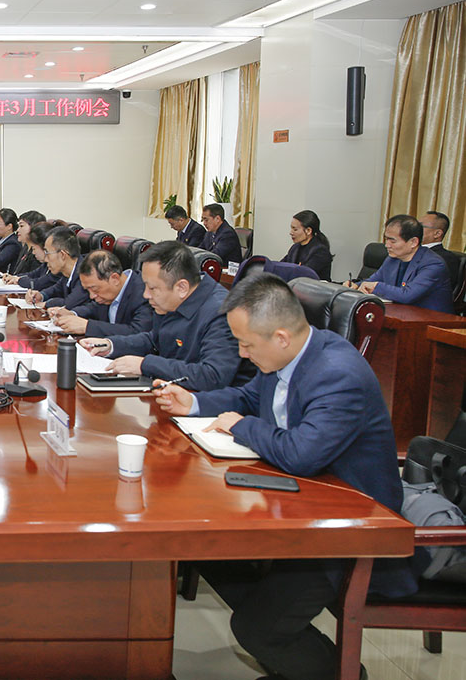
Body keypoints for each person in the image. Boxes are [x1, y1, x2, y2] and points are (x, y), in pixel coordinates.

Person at [154, 273, 417, 680]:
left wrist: (242, 426)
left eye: (246, 344)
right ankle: (288, 652)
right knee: (205, 551)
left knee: (255, 630)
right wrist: (194, 403)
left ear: (280, 337)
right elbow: (249, 398)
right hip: (299, 505)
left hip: (349, 529)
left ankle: (339, 674)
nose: (241, 354)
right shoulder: (288, 356)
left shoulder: (338, 373)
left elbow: (300, 454)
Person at [80, 240, 244, 391]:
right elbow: (155, 340)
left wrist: (145, 365)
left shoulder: (221, 312)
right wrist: (111, 345)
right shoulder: (171, 301)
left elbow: (212, 376)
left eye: (152, 288)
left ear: (181, 288)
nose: (145, 295)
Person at [351, 214, 453, 313]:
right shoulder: (392, 259)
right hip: (400, 314)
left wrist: (375, 286)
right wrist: (355, 285)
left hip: (431, 320)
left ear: (413, 242)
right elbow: (373, 280)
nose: (387, 245)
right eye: (386, 239)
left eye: (393, 241)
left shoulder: (433, 264)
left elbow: (407, 295)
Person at [51, 250, 153, 336]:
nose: (91, 296)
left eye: (95, 289)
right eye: (87, 290)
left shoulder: (144, 293)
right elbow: (94, 307)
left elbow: (138, 332)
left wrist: (87, 327)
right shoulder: (107, 295)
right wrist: (72, 313)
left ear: (115, 279)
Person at [23, 225, 89, 310]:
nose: (45, 259)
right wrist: (41, 295)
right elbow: (56, 289)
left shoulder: (85, 273)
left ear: (62, 255)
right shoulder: (67, 273)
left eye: (47, 253)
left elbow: (69, 303)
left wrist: (46, 304)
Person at [4, 220, 57, 291]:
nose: (33, 252)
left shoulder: (57, 269)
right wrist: (14, 277)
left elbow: (38, 283)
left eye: (34, 248)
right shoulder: (45, 265)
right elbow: (33, 274)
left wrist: (18, 280)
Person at [281, 209, 332, 280]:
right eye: (291, 228)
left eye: (295, 229)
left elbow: (304, 274)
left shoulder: (320, 251)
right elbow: (281, 266)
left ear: (308, 231)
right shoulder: (295, 248)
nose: (291, 233)